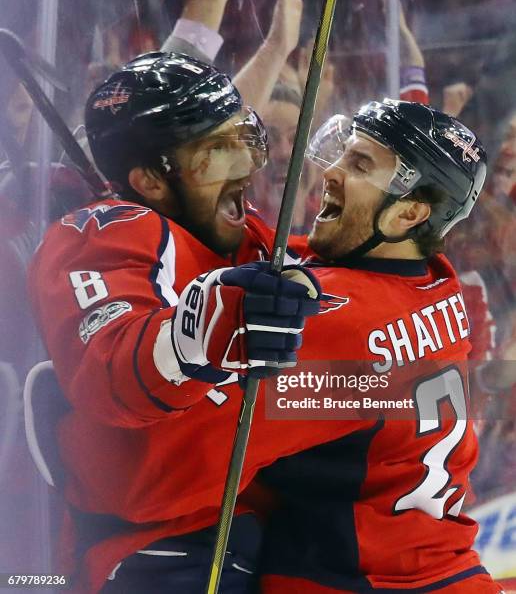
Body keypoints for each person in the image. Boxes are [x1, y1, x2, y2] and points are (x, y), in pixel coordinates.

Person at [28, 51, 322, 593]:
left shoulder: (239, 230)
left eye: (244, 137)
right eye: (216, 153)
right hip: (153, 548)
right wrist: (207, 326)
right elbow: (109, 365)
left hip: (253, 517)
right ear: (149, 180)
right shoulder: (101, 234)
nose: (248, 164)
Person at [255, 100, 503, 593]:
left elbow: (183, 461)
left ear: (410, 212)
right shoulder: (437, 283)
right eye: (343, 153)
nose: (330, 172)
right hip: (451, 568)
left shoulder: (333, 319)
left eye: (359, 164)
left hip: (356, 579)